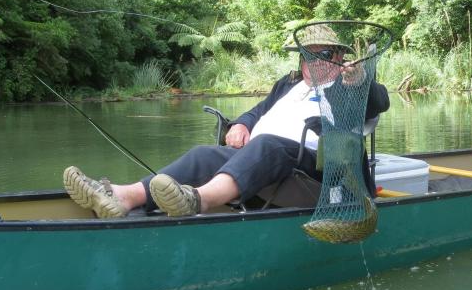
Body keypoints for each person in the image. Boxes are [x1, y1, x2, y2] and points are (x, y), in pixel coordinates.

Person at [63, 24, 390, 218]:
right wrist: (241, 124)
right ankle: (124, 196)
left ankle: (198, 200)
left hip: (314, 172)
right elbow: (257, 111)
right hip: (262, 158)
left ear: (337, 56)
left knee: (267, 146)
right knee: (203, 154)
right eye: (307, 53)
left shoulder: (350, 85)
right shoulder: (288, 84)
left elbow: (380, 101)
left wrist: (358, 80)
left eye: (321, 54)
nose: (312, 61)